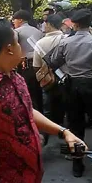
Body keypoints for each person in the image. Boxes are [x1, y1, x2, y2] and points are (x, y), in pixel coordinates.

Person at [0, 20, 86, 183]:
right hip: (3, 182)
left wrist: (64, 132)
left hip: (31, 175)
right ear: (9, 48)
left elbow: (27, 111)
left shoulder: (16, 78)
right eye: (18, 43)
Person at [50, 9, 92, 177]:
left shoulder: (66, 43)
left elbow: (54, 61)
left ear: (75, 24)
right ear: (90, 24)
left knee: (76, 126)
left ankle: (77, 166)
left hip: (72, 87)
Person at [33, 14, 67, 145]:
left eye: (44, 23)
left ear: (49, 24)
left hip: (48, 81)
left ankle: (43, 140)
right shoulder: (67, 39)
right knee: (67, 110)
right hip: (66, 80)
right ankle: (67, 141)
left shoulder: (40, 43)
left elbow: (36, 66)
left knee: (47, 110)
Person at [13, 10, 44, 113]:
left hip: (25, 65)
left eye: (15, 19)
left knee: (28, 91)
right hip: (39, 65)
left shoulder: (17, 31)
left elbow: (13, 48)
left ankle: (31, 115)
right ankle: (41, 114)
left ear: (20, 20)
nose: (13, 22)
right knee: (38, 92)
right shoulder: (38, 31)